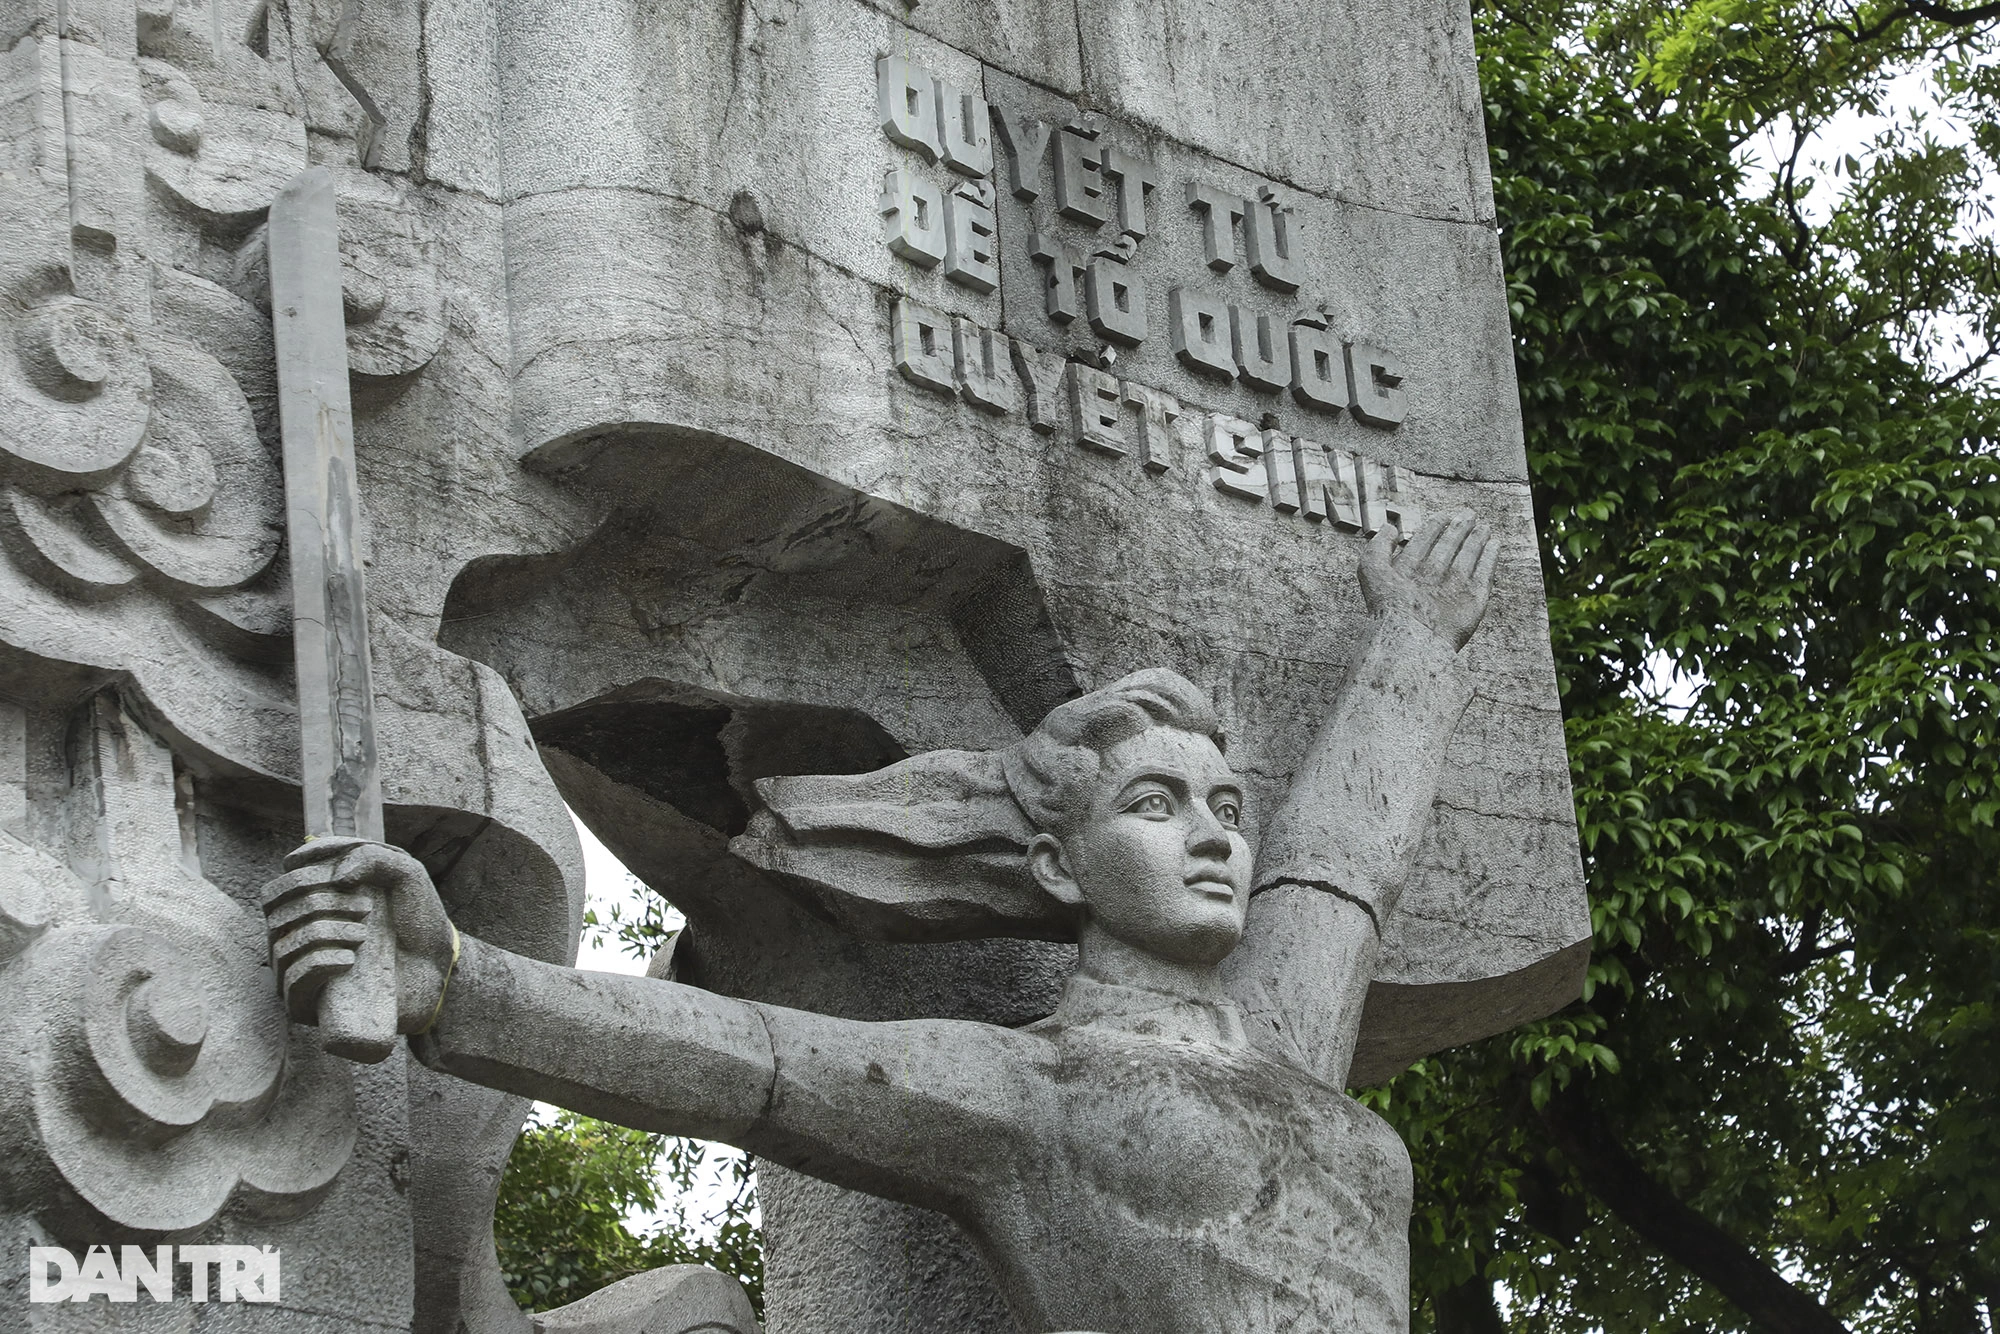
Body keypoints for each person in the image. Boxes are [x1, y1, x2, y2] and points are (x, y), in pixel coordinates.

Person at [265, 512, 1498, 1334]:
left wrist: (1416, 641)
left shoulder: (1282, 1027)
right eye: (1156, 804)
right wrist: (464, 980)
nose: (1216, 833)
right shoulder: (1031, 1089)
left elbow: (1343, 861)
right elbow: (751, 1060)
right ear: (1052, 867)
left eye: (1226, 807)